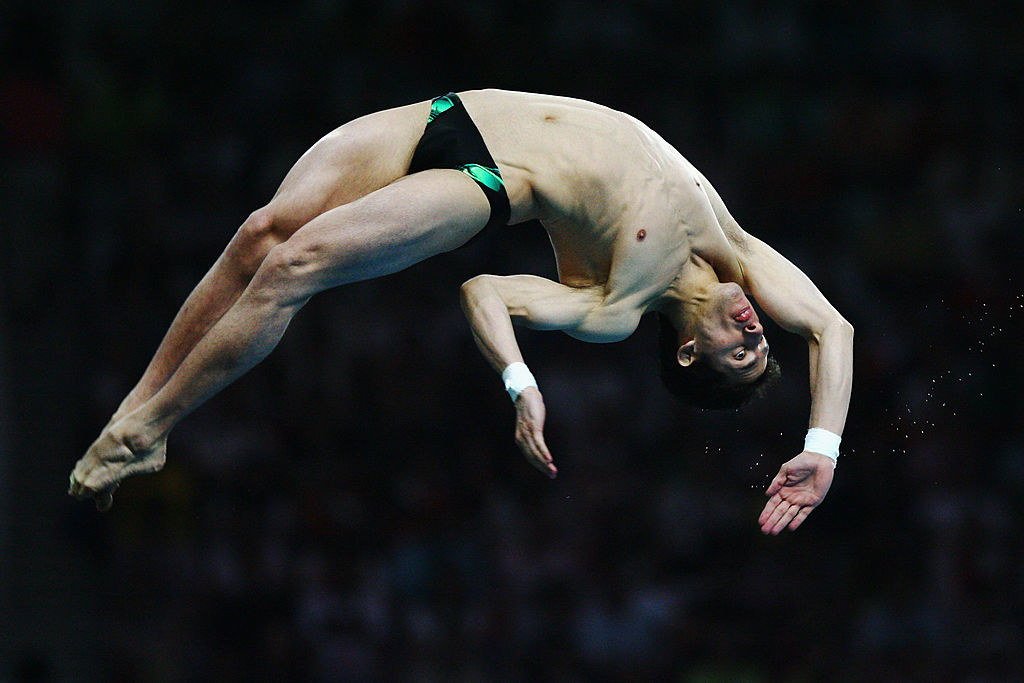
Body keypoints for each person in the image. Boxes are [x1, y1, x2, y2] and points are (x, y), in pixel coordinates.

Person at [68, 89, 853, 534]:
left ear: (689, 353)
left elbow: (484, 292)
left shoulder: (617, 307)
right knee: (258, 235)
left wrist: (519, 382)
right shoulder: (737, 249)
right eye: (759, 341)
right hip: (448, 111)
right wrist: (822, 445)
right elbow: (831, 328)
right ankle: (141, 418)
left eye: (741, 352)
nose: (756, 328)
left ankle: (147, 427)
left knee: (291, 267)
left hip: (481, 178)